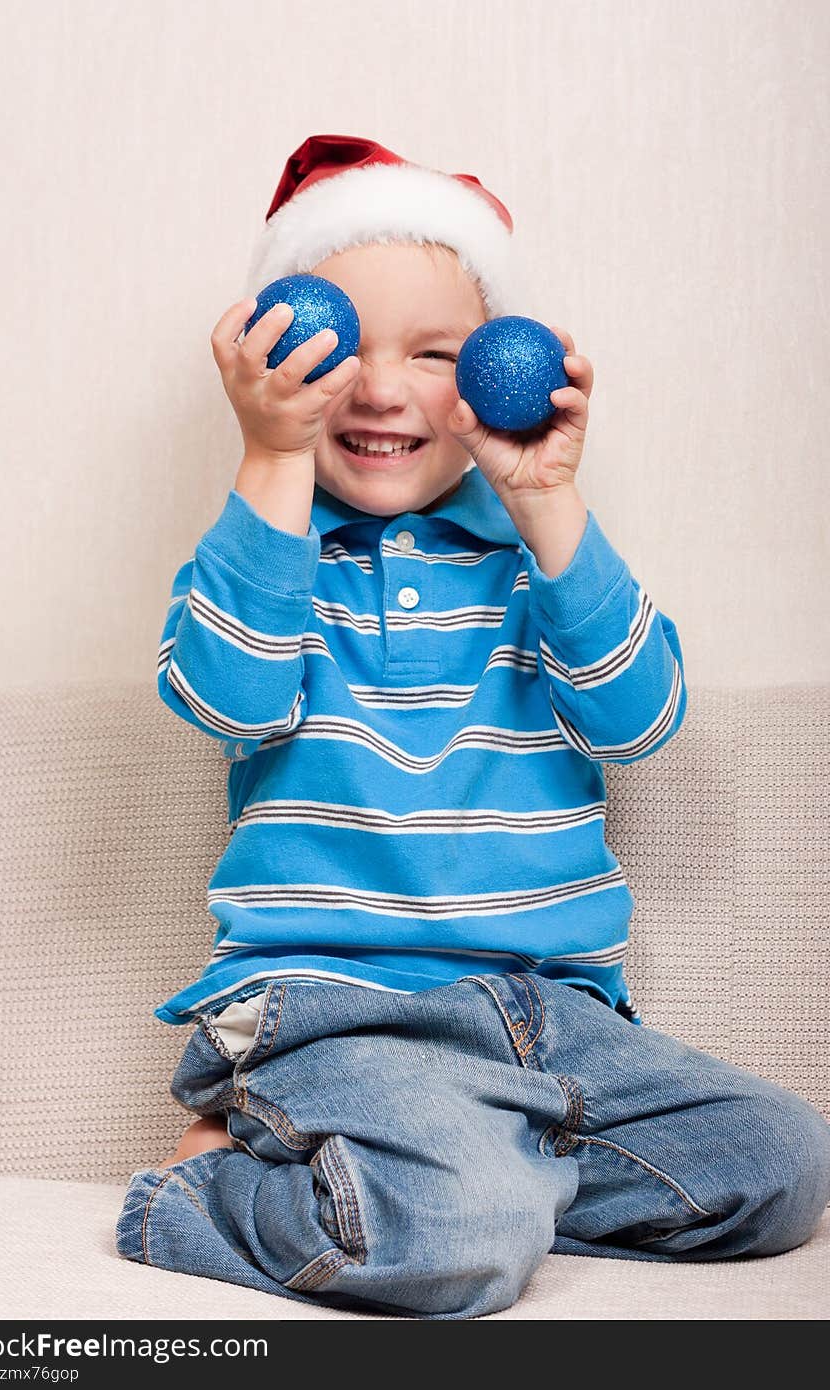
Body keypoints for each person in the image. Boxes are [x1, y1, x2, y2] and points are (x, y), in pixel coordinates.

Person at [115, 134, 830, 1319]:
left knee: (779, 1162)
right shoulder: (273, 565)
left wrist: (545, 498)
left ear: (501, 371)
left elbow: (640, 721)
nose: (384, 389)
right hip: (335, 1010)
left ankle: (455, 1176)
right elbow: (224, 695)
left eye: (437, 355)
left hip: (553, 1024)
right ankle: (201, 1190)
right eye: (338, 347)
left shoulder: (536, 570)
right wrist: (269, 456)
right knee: (468, 1241)